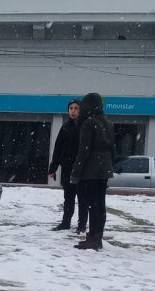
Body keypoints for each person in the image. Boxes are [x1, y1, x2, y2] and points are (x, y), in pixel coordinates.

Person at [70, 92, 115, 250]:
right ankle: (97, 236)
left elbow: (84, 150)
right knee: (100, 204)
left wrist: (76, 171)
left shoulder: (88, 123)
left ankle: (93, 238)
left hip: (91, 170)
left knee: (92, 204)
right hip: (104, 169)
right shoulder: (108, 123)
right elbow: (112, 148)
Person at [48, 99, 88, 233]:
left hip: (82, 169)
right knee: (68, 198)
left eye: (76, 108)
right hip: (67, 168)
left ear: (80, 110)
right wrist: (53, 168)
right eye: (71, 108)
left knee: (82, 199)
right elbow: (58, 148)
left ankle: (81, 226)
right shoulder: (65, 127)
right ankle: (65, 223)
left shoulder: (85, 126)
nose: (73, 111)